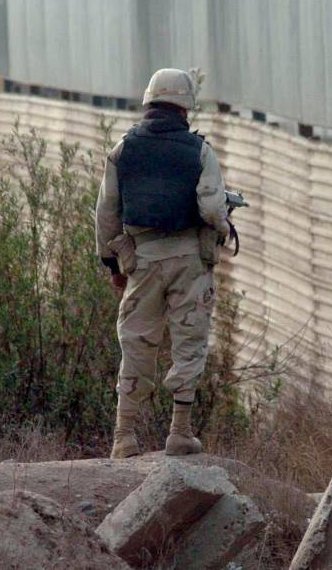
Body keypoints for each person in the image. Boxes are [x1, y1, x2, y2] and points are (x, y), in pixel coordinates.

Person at [95, 68, 231, 458]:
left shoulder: (123, 149)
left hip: (142, 260)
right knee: (189, 341)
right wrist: (223, 225)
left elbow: (106, 213)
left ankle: (124, 437)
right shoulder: (199, 151)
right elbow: (211, 207)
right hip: (189, 261)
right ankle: (179, 433)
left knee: (137, 343)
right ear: (185, 107)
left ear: (149, 102)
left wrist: (112, 265)